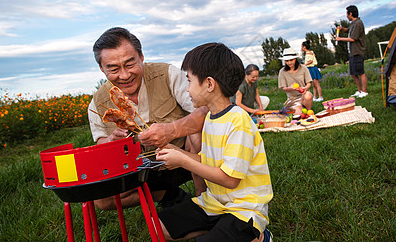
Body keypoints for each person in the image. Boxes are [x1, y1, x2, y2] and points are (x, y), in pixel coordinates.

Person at [155, 43, 273, 242]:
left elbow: (229, 179)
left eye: (189, 81)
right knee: (158, 228)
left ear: (209, 84)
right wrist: (177, 152)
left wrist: (183, 161)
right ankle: (221, 228)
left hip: (244, 209)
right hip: (216, 202)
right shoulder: (210, 117)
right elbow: (207, 160)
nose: (187, 88)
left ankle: (259, 236)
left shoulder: (238, 121)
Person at [88, 27, 207, 210]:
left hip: (185, 157)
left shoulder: (167, 74)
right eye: (113, 69)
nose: (125, 76)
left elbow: (204, 110)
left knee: (197, 134)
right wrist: (111, 140)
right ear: (102, 69)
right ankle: (168, 195)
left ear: (141, 57)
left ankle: (205, 203)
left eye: (130, 64)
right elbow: (100, 144)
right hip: (141, 171)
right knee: (103, 201)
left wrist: (172, 130)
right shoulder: (97, 103)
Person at [336, 5, 368, 98]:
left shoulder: (358, 23)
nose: (346, 16)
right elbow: (349, 31)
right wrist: (342, 29)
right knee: (353, 73)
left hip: (358, 51)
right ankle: (360, 90)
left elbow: (353, 38)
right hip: (352, 52)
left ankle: (365, 91)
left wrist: (340, 39)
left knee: (360, 72)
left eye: (347, 14)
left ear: (350, 14)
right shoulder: (353, 23)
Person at [278, 47, 313, 115]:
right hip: (292, 99)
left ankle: (309, 111)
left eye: (291, 60)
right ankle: (301, 110)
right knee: (300, 114)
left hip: (303, 95)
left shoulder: (303, 68)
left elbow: (309, 84)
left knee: (308, 95)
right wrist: (291, 88)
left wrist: (304, 88)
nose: (289, 62)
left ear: (295, 59)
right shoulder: (282, 71)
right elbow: (284, 88)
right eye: (287, 61)